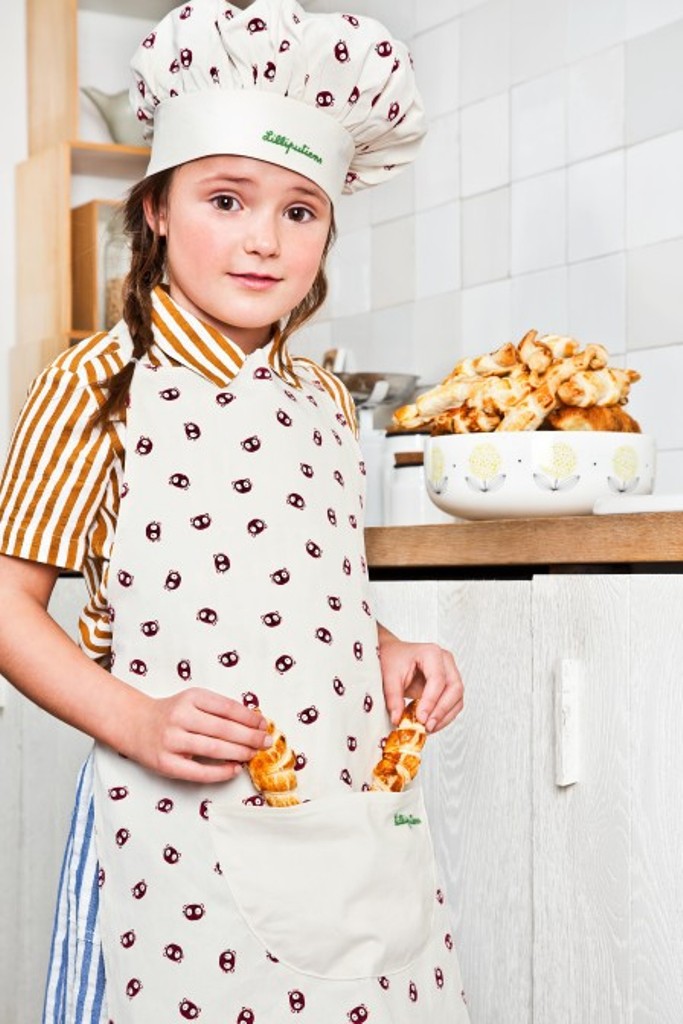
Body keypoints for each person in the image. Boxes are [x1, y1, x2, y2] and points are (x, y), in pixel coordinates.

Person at [0, 2, 470, 1021]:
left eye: (299, 212)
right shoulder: (96, 383)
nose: (263, 240)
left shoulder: (323, 400)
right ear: (157, 209)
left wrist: (385, 646)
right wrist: (134, 718)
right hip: (166, 830)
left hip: (340, 803)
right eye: (225, 199)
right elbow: (6, 606)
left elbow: (299, 585)